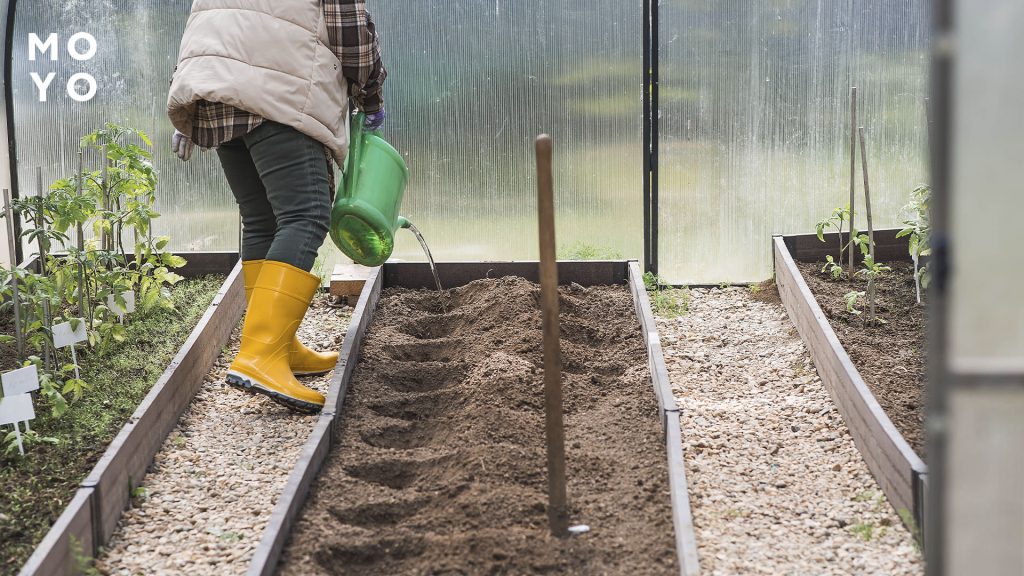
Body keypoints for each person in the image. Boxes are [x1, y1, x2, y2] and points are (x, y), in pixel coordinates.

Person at [166, 0, 387, 413]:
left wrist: (188, 98)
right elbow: (351, 33)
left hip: (214, 92)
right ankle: (261, 355)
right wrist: (371, 92)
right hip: (275, 90)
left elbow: (208, 23)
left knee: (262, 221)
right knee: (306, 216)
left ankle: (278, 345)